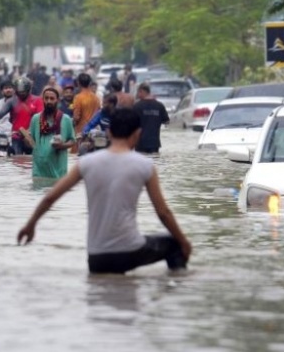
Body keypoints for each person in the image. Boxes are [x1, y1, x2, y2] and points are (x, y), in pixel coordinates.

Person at [16, 108, 192, 275]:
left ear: (108, 133)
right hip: (129, 251)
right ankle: (175, 290)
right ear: (138, 134)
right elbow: (163, 213)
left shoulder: (86, 163)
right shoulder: (145, 165)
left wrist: (30, 225)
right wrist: (184, 242)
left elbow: (50, 198)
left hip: (97, 257)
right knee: (175, 245)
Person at [21, 87, 76, 179]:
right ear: (43, 100)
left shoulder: (65, 119)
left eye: (52, 99)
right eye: (46, 98)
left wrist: (62, 145)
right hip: (38, 171)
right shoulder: (36, 119)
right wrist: (26, 139)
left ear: (57, 100)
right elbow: (31, 143)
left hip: (58, 171)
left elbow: (73, 141)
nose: (49, 101)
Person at [0, 77, 43, 156]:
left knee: (34, 158)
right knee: (16, 158)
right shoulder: (12, 101)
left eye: (23, 92)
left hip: (32, 137)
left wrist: (30, 131)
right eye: (19, 92)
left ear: (28, 90)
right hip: (16, 136)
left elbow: (40, 118)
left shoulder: (37, 101)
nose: (21, 94)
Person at [133, 82, 170, 155]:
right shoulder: (159, 106)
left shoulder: (136, 106)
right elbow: (166, 121)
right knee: (154, 163)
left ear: (141, 91)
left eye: (138, 92)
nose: (137, 95)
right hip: (155, 143)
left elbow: (131, 124)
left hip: (140, 143)